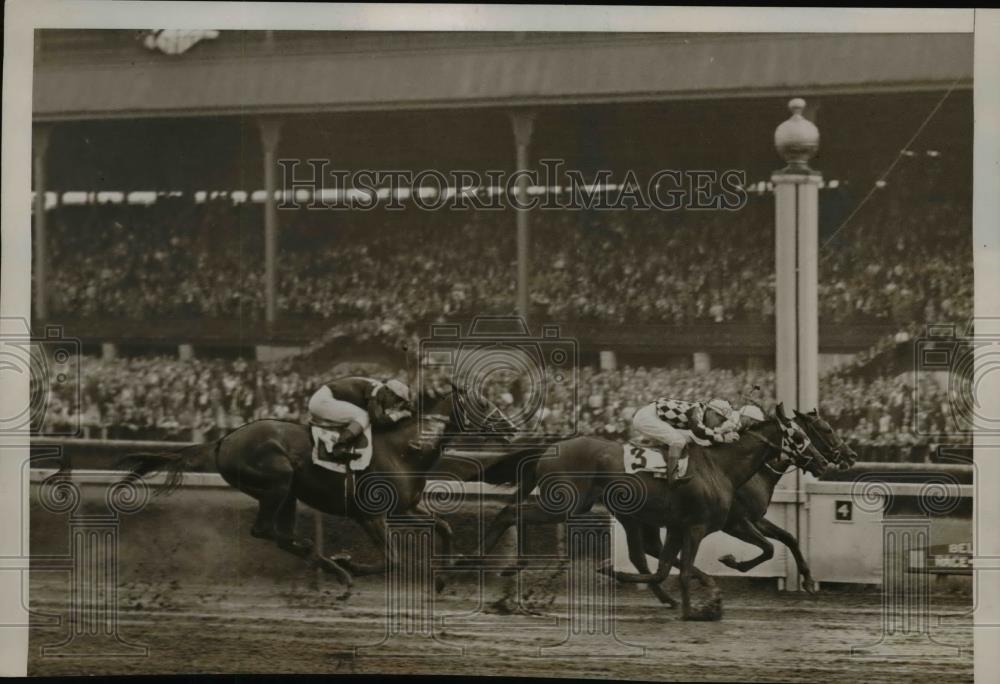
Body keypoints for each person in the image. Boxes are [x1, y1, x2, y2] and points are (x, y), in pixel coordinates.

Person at [631, 396, 742, 485]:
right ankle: (672, 476)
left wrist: (721, 434)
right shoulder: (696, 410)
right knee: (678, 441)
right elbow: (699, 431)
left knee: (687, 439)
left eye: (723, 421)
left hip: (654, 416)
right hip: (646, 417)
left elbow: (699, 437)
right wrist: (721, 437)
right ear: (711, 412)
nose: (720, 423)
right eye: (720, 419)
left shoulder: (702, 411)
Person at [307, 376, 412, 458]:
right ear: (390, 393)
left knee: (363, 416)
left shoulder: (379, 391)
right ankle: (340, 446)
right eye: (397, 401)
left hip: (327, 398)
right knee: (364, 416)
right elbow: (378, 421)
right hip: (323, 400)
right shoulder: (375, 392)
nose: (395, 405)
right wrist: (400, 414)